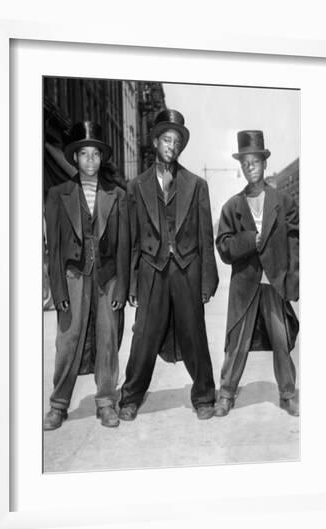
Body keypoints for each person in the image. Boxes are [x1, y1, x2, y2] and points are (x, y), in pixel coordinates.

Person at [118, 109, 219, 421]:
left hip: (187, 267)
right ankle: (130, 397)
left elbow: (205, 235)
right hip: (152, 269)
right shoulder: (135, 186)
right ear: (155, 141)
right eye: (166, 139)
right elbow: (133, 239)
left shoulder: (196, 184)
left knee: (195, 334)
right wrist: (133, 284)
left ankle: (204, 396)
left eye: (176, 141)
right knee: (144, 336)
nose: (171, 145)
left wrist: (207, 282)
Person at [43, 121, 129, 429]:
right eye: (84, 154)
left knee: (107, 340)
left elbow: (124, 245)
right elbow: (53, 248)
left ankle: (106, 401)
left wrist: (122, 288)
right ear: (75, 158)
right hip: (73, 276)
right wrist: (58, 290)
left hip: (107, 277)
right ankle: (58, 404)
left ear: (101, 159)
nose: (90, 161)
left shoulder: (117, 195)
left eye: (95, 154)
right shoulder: (58, 195)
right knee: (68, 340)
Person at [215, 130, 300, 417]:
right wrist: (248, 240)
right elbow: (224, 246)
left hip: (273, 282)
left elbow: (294, 242)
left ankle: (288, 394)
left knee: (281, 340)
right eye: (245, 162)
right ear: (241, 167)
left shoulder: (283, 201)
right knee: (237, 342)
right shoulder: (232, 206)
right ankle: (226, 394)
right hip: (245, 284)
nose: (250, 166)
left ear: (264, 164)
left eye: (255, 161)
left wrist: (293, 278)